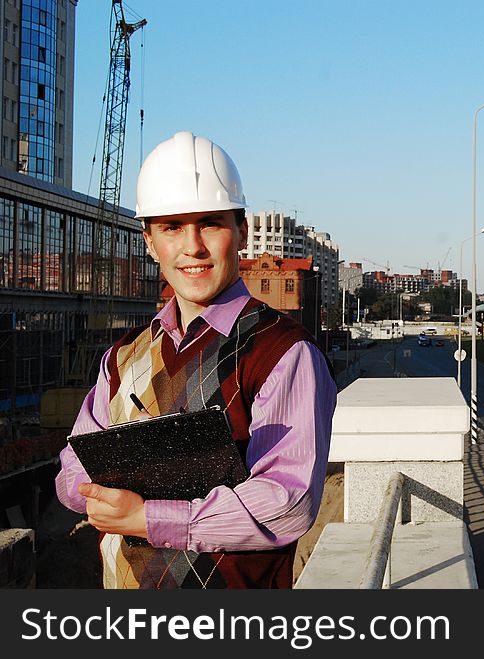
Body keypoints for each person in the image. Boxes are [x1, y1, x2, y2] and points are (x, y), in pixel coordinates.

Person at [55, 131, 337, 589]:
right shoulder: (121, 357)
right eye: (171, 227)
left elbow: (288, 501)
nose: (193, 247)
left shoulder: (283, 353)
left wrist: (148, 517)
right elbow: (74, 462)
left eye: (210, 223)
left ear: (241, 231)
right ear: (149, 241)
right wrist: (91, 495)